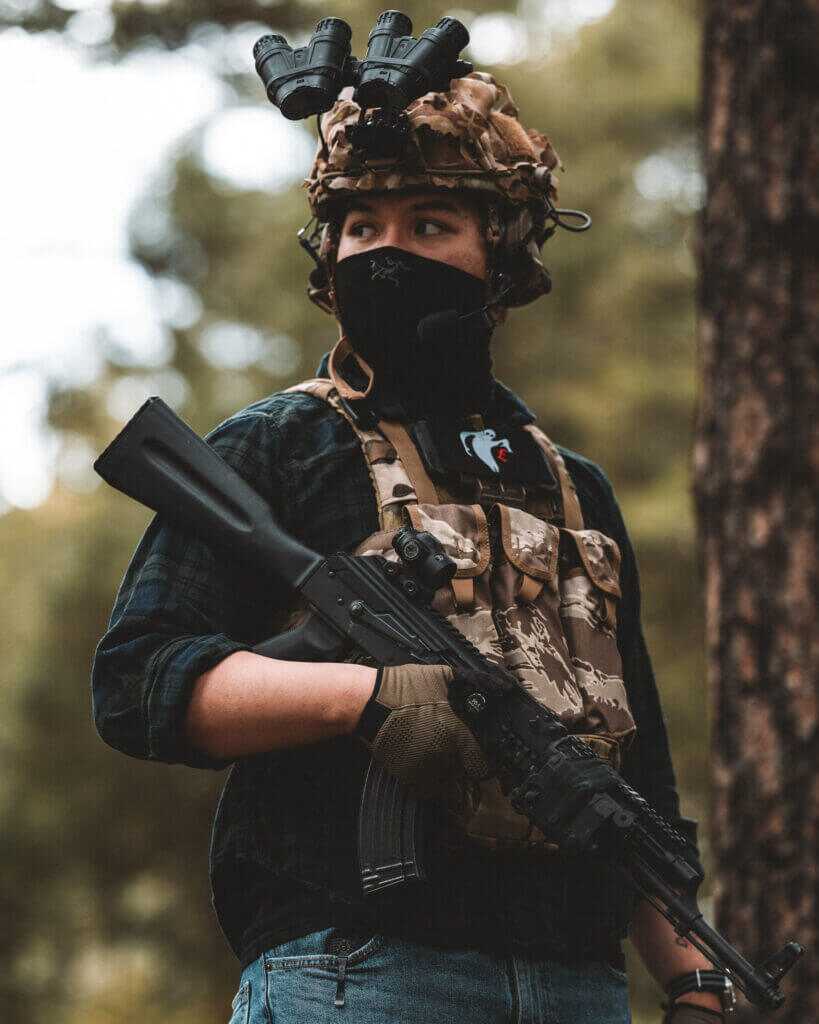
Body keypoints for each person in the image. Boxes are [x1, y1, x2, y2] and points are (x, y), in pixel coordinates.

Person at [92, 65, 728, 1024]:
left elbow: (632, 776)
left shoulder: (571, 486)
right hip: (355, 975)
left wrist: (693, 980)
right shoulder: (279, 444)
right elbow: (139, 684)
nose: (386, 254)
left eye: (430, 224)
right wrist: (365, 695)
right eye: (361, 228)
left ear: (500, 253)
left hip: (578, 986)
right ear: (329, 252)